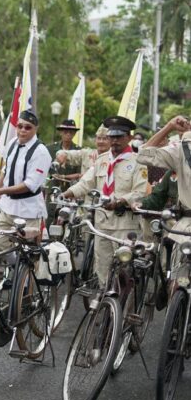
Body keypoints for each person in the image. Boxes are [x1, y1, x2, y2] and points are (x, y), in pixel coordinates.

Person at [62, 116, 148, 285]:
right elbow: (86, 183)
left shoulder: (138, 162)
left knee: (125, 270)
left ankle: (123, 306)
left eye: (119, 137)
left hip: (125, 225)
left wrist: (121, 201)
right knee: (102, 268)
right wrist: (68, 193)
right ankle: (105, 303)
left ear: (129, 138)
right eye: (112, 136)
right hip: (101, 223)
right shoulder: (102, 160)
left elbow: (140, 192)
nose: (114, 141)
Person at [0, 110, 52, 286]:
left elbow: (30, 185)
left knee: (30, 252)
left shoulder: (41, 152)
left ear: (35, 129)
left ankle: (27, 291)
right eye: (20, 126)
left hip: (29, 210)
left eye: (28, 127)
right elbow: (5, 171)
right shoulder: (12, 143)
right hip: (8, 206)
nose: (22, 130)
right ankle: (17, 268)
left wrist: (0, 192)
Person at [137, 116, 191, 285]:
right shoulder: (183, 149)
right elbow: (144, 155)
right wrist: (169, 127)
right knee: (176, 284)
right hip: (186, 227)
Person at [47, 119, 81, 190]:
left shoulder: (79, 151)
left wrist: (63, 177)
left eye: (71, 132)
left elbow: (80, 174)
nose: (68, 134)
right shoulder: (50, 149)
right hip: (52, 187)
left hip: (71, 189)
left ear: (74, 133)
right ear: (60, 132)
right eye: (65, 132)